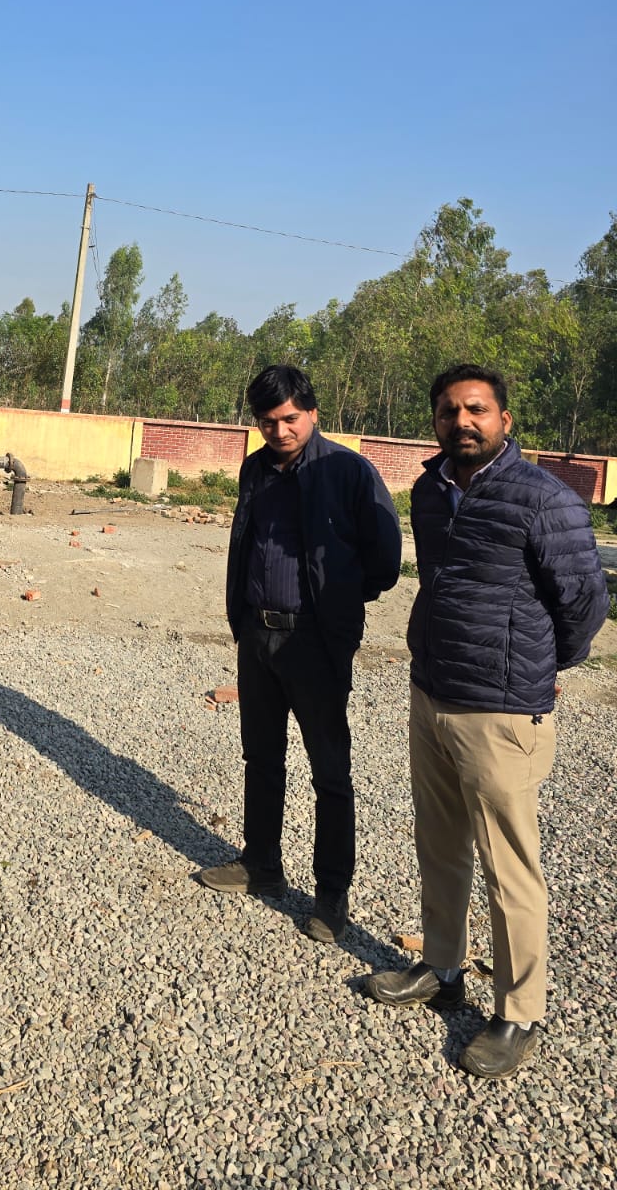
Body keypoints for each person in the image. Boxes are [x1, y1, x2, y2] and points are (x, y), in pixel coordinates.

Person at [362, 366, 607, 1076]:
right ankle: (442, 967)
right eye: (448, 410)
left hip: (501, 710)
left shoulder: (544, 499)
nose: (461, 421)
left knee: (510, 869)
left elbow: (585, 601)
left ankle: (520, 1012)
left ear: (504, 419)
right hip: (432, 693)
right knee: (439, 845)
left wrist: (541, 665)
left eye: (476, 409)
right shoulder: (430, 491)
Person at [197, 365, 402, 943]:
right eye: (268, 422)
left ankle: (331, 894)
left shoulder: (348, 472)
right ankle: (261, 863)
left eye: (290, 419)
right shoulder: (255, 469)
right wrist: (244, 619)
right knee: (261, 758)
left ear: (312, 413)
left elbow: (385, 560)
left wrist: (335, 605)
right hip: (257, 636)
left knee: (329, 772)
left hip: (315, 641)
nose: (280, 431)